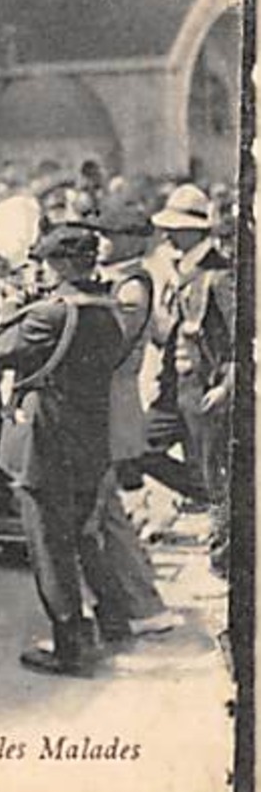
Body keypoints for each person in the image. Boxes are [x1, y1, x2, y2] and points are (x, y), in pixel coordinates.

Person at [0, 225, 130, 676]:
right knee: (85, 535)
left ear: (62, 265)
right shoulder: (108, 309)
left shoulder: (50, 313)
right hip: (89, 440)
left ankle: (69, 646)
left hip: (47, 443)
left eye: (45, 263)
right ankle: (114, 619)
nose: (41, 271)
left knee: (49, 546)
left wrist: (9, 307)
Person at [85, 204, 180, 636]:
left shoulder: (130, 289)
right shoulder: (122, 282)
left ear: (129, 239)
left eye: (108, 233)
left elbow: (106, 347)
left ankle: (143, 605)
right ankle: (141, 600)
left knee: (104, 509)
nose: (100, 241)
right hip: (109, 401)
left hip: (109, 402)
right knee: (107, 509)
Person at [149, 184, 235, 580]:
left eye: (174, 228)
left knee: (217, 474)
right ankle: (206, 496)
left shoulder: (218, 275)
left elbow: (242, 340)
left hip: (205, 388)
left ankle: (224, 563)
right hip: (175, 389)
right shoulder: (181, 273)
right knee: (134, 445)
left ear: (193, 232)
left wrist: (227, 386)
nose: (167, 235)